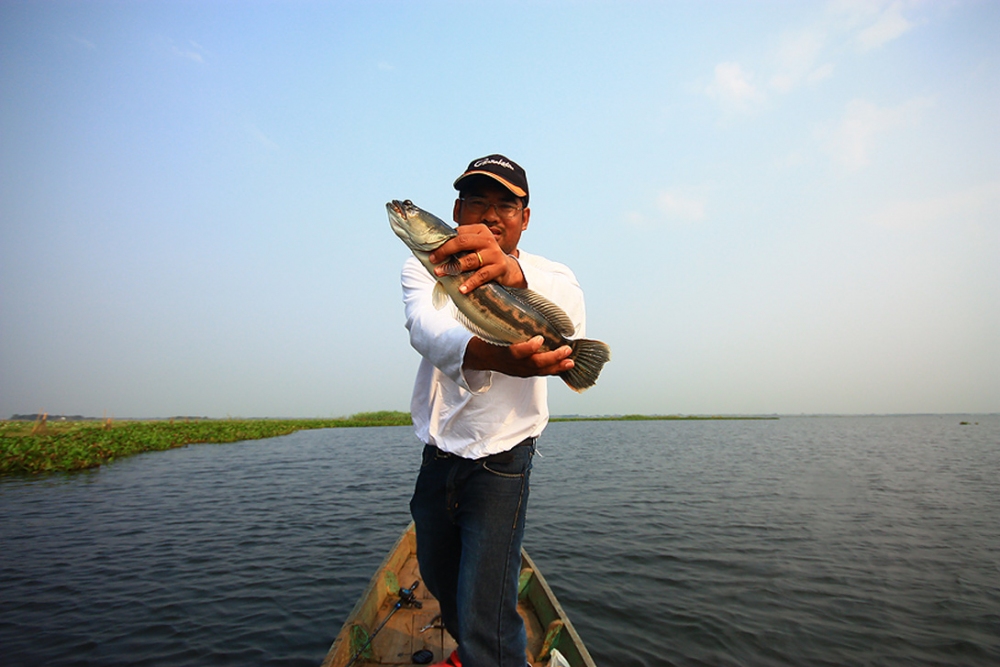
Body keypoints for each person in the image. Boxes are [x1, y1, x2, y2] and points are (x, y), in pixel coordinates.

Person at [401, 154, 588, 667]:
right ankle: (475, 652)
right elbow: (429, 331)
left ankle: (495, 655)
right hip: (437, 456)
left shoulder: (552, 276)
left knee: (486, 604)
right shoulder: (425, 265)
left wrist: (515, 276)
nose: (490, 213)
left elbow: (568, 318)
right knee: (441, 578)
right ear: (456, 210)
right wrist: (505, 358)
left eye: (505, 203)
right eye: (477, 200)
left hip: (503, 461)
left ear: (524, 218)